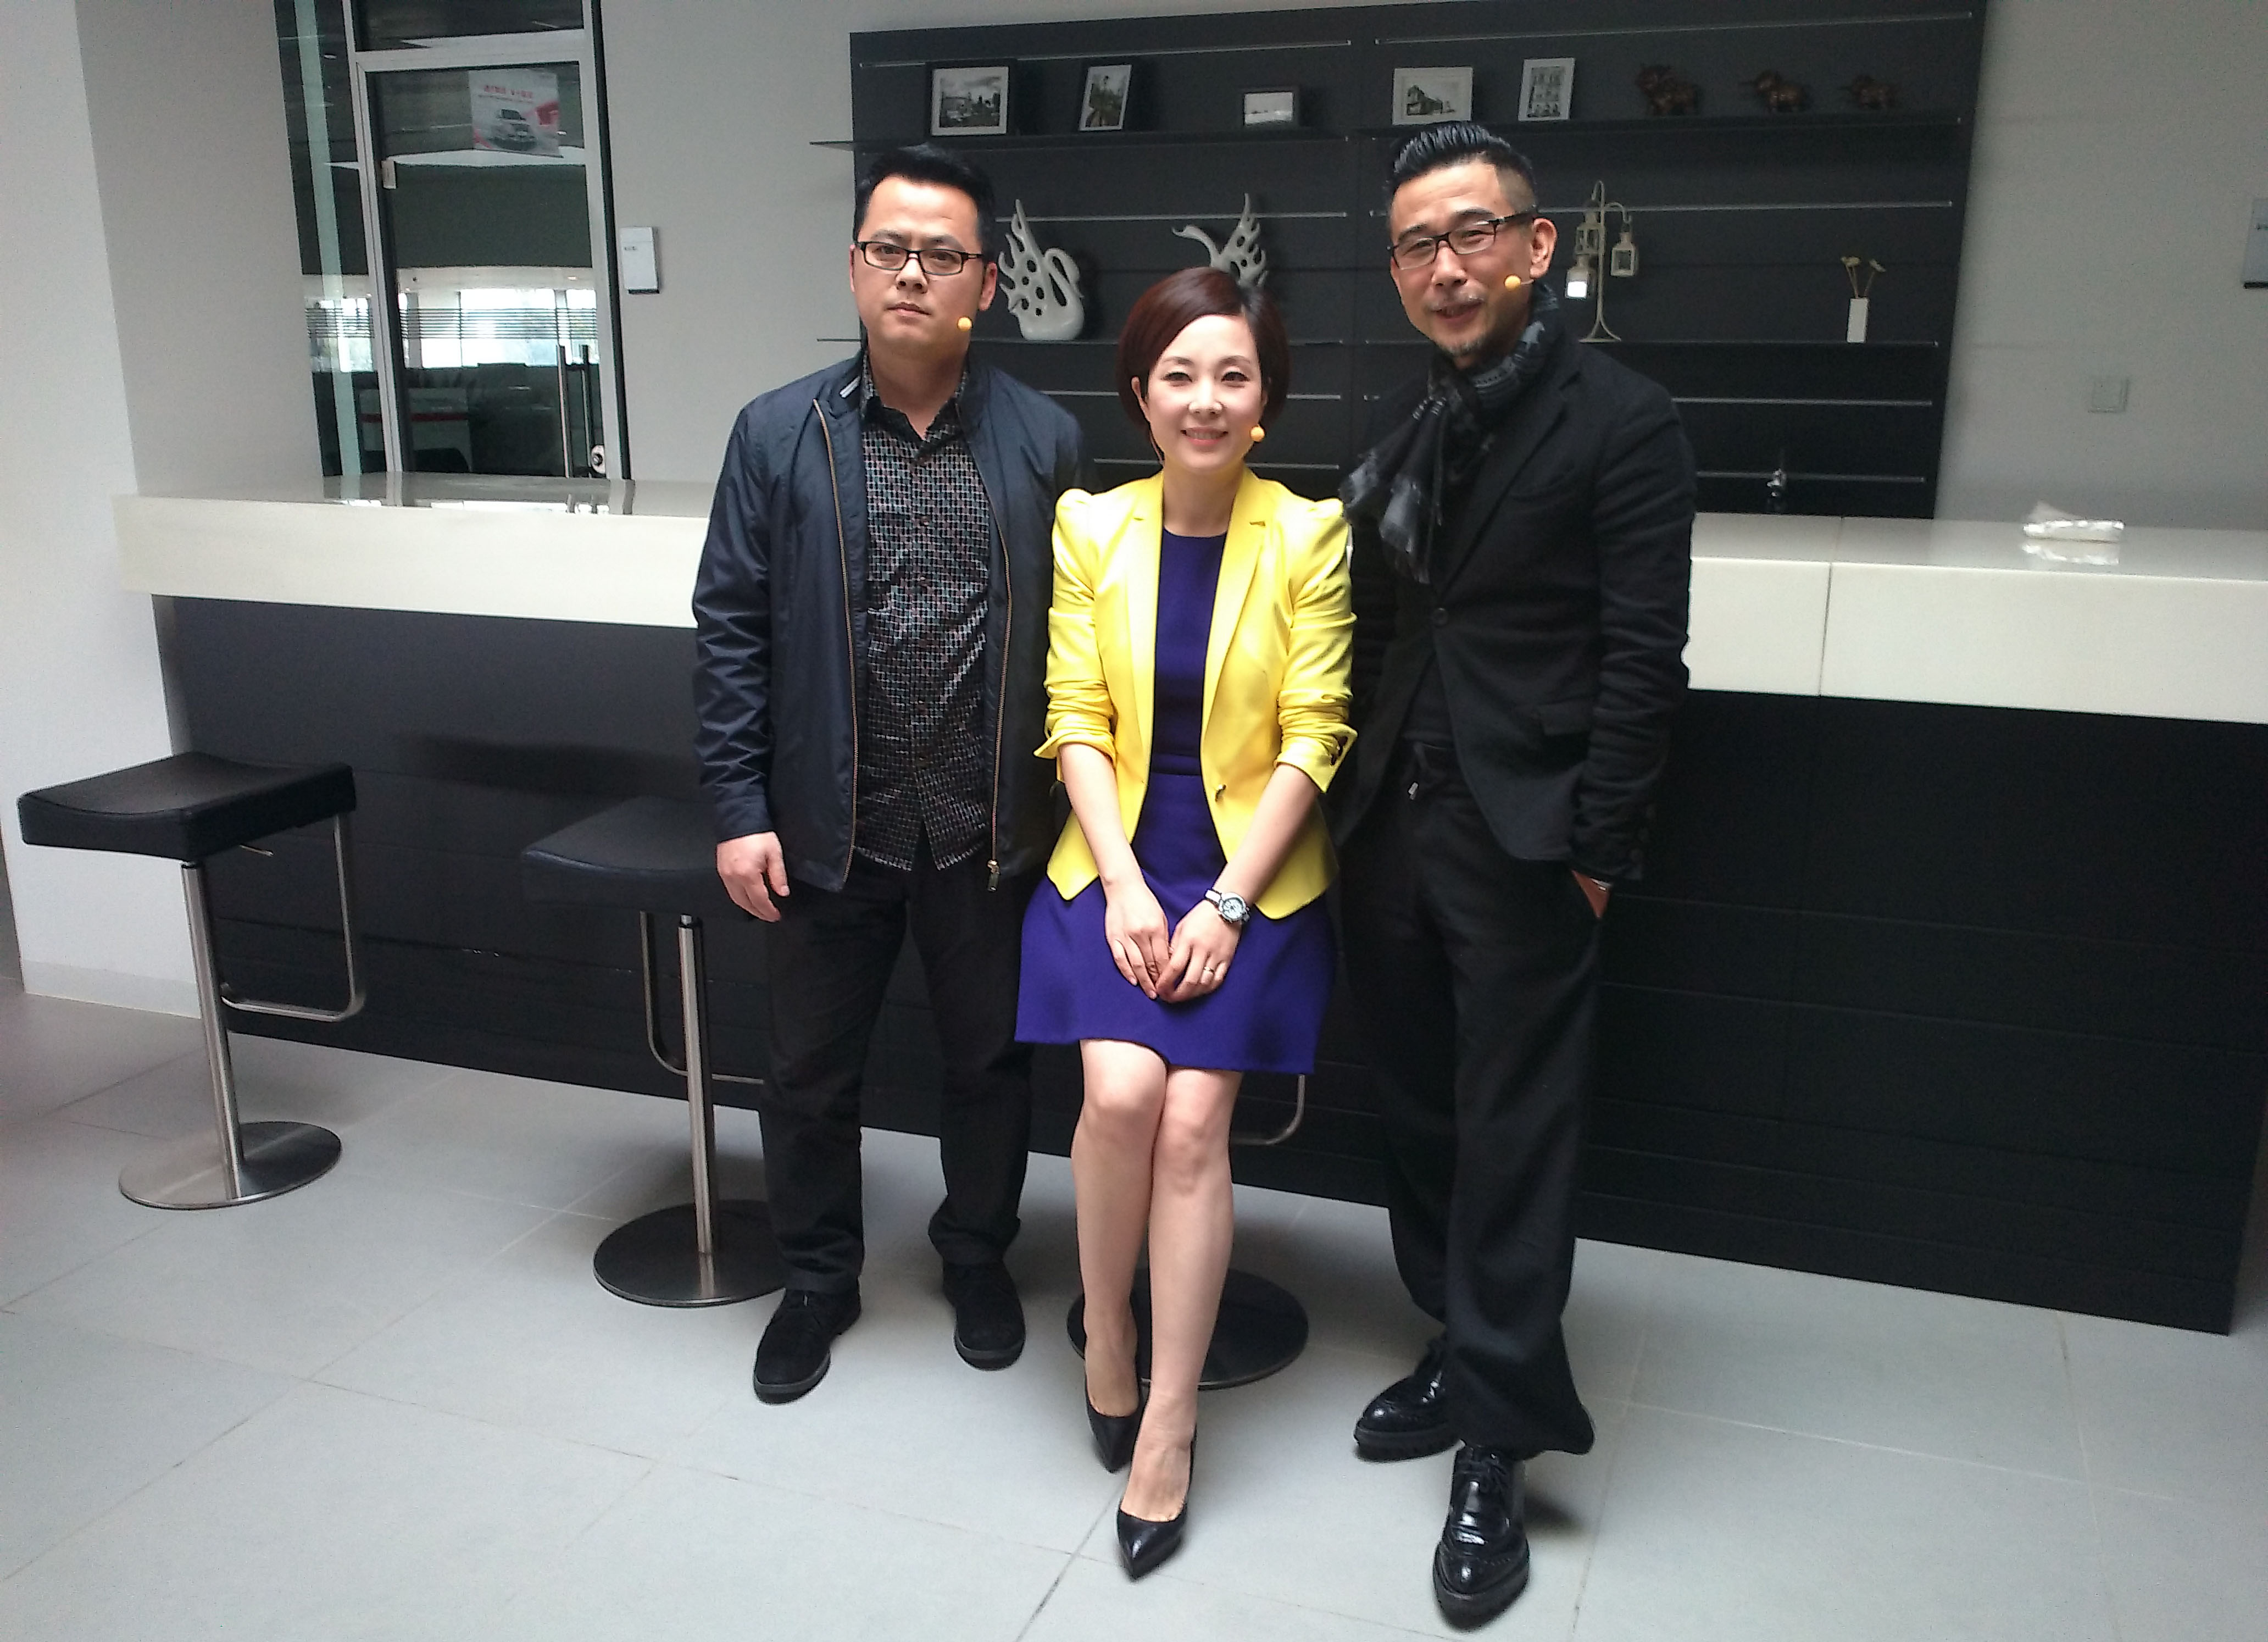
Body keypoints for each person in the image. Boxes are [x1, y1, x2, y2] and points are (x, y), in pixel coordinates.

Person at [1333, 124, 1694, 1624]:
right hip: (1390, 825)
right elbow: (1385, 623)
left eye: (1471, 233)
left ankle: (1500, 1437)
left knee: (1516, 1135)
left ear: (1538, 247)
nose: (1445, 267)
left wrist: (1601, 850)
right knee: (1420, 1111)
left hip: (1531, 837)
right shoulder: (1410, 423)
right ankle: (1458, 1336)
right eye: (1417, 244)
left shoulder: (1623, 421)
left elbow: (1644, 659)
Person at [693, 144, 1085, 1404]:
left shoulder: (1045, 440)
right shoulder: (778, 434)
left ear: (986, 282)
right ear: (855, 265)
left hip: (987, 826)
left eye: (943, 255)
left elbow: (1082, 640)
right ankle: (817, 1277)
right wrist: (739, 808)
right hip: (828, 824)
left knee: (991, 1066)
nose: (913, 273)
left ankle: (976, 1254)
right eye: (890, 249)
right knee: (809, 1073)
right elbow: (731, 631)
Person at [1017, 267, 1353, 1578]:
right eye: (1180, 376)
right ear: (1141, 395)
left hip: (1251, 875)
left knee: (1196, 1119)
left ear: (1265, 400)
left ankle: (1169, 1420)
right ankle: (1106, 1326)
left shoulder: (1309, 534)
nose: (1206, 400)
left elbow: (1317, 735)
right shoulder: (1090, 526)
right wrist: (1124, 885)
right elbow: (1074, 718)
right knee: (1118, 1097)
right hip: (1113, 859)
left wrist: (1223, 901)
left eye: (1233, 376)